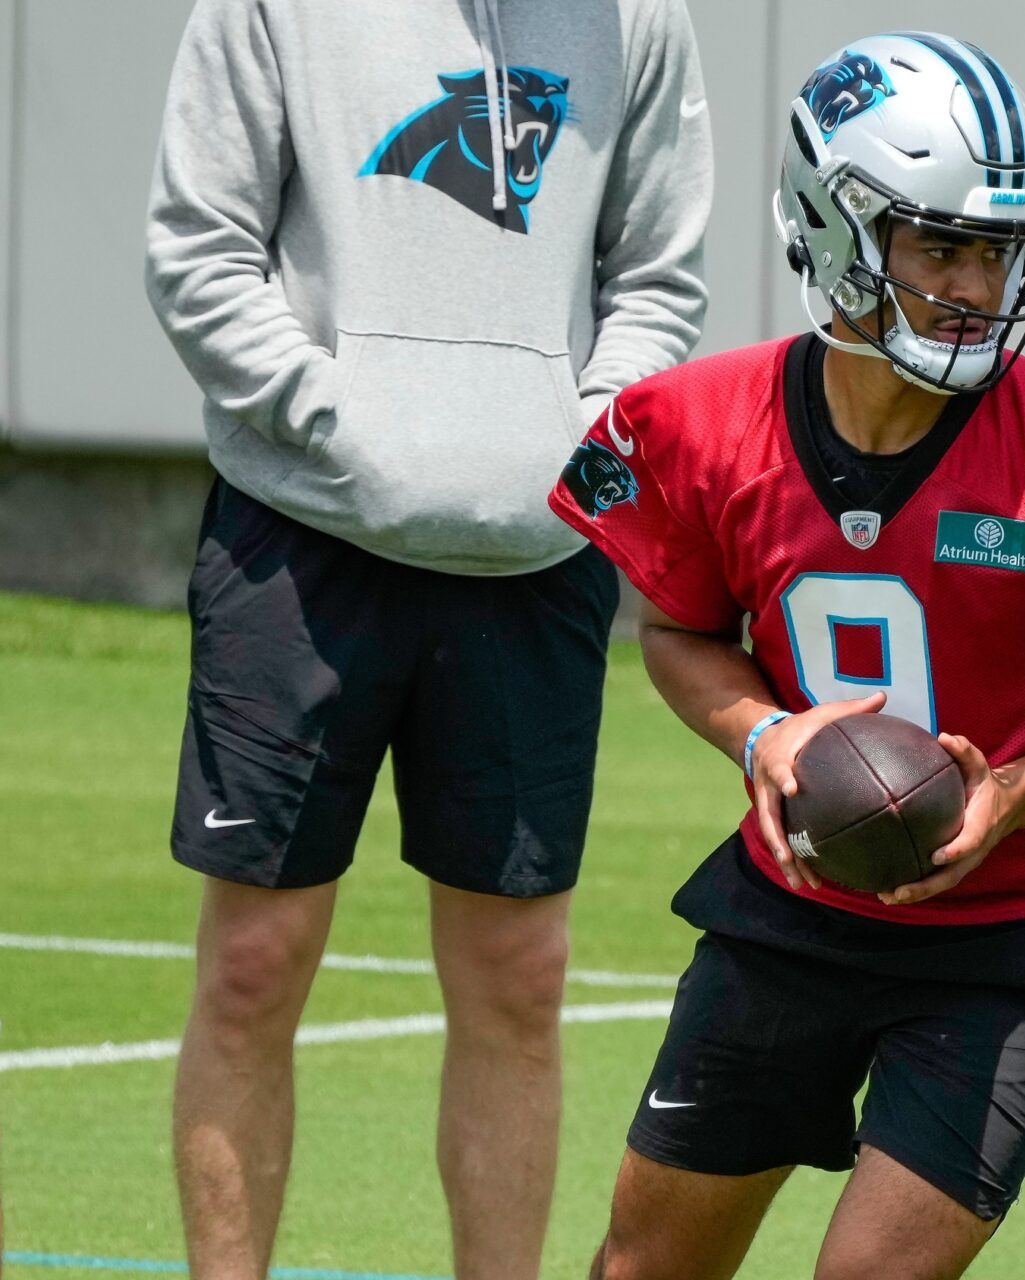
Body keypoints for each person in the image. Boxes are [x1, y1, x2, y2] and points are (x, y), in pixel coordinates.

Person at [547, 31, 1025, 1280]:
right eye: (940, 245)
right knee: (643, 1267)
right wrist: (766, 733)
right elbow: (678, 632)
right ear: (833, 226)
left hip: (1015, 931)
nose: (977, 287)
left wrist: (1019, 790)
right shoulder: (696, 424)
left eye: (997, 251)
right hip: (792, 904)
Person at [143, 0, 711, 1275]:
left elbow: (660, 281)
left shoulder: (640, 19)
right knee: (252, 960)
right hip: (298, 539)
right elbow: (199, 251)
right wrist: (345, 422)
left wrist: (572, 443)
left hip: (535, 559)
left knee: (518, 974)